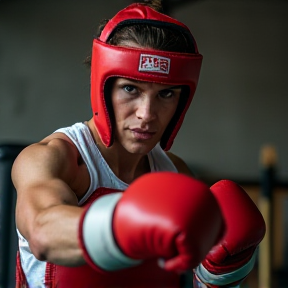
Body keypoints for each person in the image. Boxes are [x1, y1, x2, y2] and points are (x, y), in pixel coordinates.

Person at [12, 1, 266, 287]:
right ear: (102, 88)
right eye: (130, 89)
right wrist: (123, 227)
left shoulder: (175, 173)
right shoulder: (54, 158)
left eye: (166, 94)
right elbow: (42, 232)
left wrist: (221, 274)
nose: (147, 114)